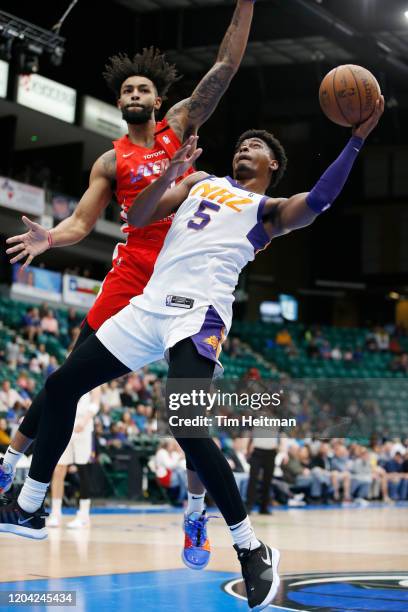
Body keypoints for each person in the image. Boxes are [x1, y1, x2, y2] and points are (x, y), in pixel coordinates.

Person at [0, 93, 383, 609]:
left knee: (186, 424)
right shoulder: (199, 182)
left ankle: (251, 547)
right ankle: (29, 504)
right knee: (61, 382)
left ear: (272, 166)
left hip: (197, 316)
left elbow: (317, 203)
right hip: (147, 305)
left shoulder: (265, 210)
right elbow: (137, 214)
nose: (244, 148)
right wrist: (169, 174)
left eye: (256, 147)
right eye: (242, 143)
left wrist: (356, 140)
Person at [1, 0, 256, 570]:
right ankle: (16, 468)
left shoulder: (181, 126)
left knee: (193, 411)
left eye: (145, 88)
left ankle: (195, 510)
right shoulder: (109, 162)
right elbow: (82, 224)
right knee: (67, 375)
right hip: (132, 272)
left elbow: (224, 66)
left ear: (158, 100)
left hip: (187, 272)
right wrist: (52, 240)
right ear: (120, 103)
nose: (136, 94)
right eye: (128, 90)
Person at [47, 389, 101, 529]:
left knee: (83, 470)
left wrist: (84, 420)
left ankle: (83, 515)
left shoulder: (95, 380)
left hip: (84, 427)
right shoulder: (71, 373)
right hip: (65, 426)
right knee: (59, 469)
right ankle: (56, 513)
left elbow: (95, 403)